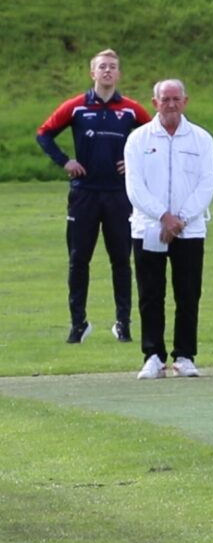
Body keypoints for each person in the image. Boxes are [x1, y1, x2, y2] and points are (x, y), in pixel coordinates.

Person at [36, 49, 152, 344]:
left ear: (119, 74)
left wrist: (137, 161)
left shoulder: (130, 109)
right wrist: (65, 162)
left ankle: (123, 323)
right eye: (102, 67)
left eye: (113, 67)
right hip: (84, 194)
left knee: (121, 260)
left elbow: (156, 135)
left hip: (119, 196)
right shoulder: (77, 107)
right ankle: (78, 324)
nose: (108, 71)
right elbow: (44, 133)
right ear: (93, 73)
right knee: (78, 260)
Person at [124, 79, 213, 380]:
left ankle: (185, 356)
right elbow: (135, 186)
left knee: (188, 293)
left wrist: (181, 220)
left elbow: (206, 185)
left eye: (176, 99)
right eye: (165, 99)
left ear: (185, 101)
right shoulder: (138, 139)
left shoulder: (201, 139)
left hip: (189, 229)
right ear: (155, 102)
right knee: (150, 293)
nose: (171, 104)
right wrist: (163, 217)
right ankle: (153, 355)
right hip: (148, 227)